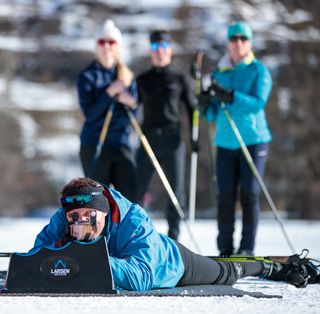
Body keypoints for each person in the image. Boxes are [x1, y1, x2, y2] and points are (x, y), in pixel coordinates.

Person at [30, 177, 318, 291]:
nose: (80, 222)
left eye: (87, 216)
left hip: (173, 266)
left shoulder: (134, 219)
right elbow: (37, 254)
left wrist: (82, 257)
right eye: (73, 218)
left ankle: (270, 266)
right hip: (130, 261)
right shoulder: (65, 216)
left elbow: (140, 277)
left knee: (225, 272)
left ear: (102, 211)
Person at [199, 21, 273, 256]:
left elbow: (258, 103)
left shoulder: (258, 70)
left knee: (249, 193)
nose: (238, 43)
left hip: (253, 140)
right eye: (234, 39)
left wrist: (231, 96)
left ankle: (247, 248)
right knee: (225, 197)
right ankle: (225, 250)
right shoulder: (219, 73)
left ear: (249, 43)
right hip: (225, 142)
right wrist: (203, 104)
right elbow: (211, 113)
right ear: (228, 43)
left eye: (243, 39)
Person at [136, 30, 197, 240]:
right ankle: (137, 236)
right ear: (151, 51)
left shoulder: (180, 78)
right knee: (138, 191)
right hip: (147, 139)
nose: (159, 52)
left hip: (173, 138)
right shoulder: (142, 79)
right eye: (155, 48)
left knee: (175, 192)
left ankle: (174, 238)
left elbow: (193, 109)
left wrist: (194, 138)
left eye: (163, 47)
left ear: (170, 50)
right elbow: (133, 105)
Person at [77, 19, 138, 202]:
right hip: (95, 143)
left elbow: (133, 115)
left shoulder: (126, 76)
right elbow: (90, 114)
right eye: (101, 42)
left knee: (130, 200)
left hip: (121, 143)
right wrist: (109, 93)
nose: (106, 46)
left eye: (111, 42)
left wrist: (129, 101)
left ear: (117, 46)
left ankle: (126, 231)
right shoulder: (87, 76)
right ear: (96, 46)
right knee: (97, 201)